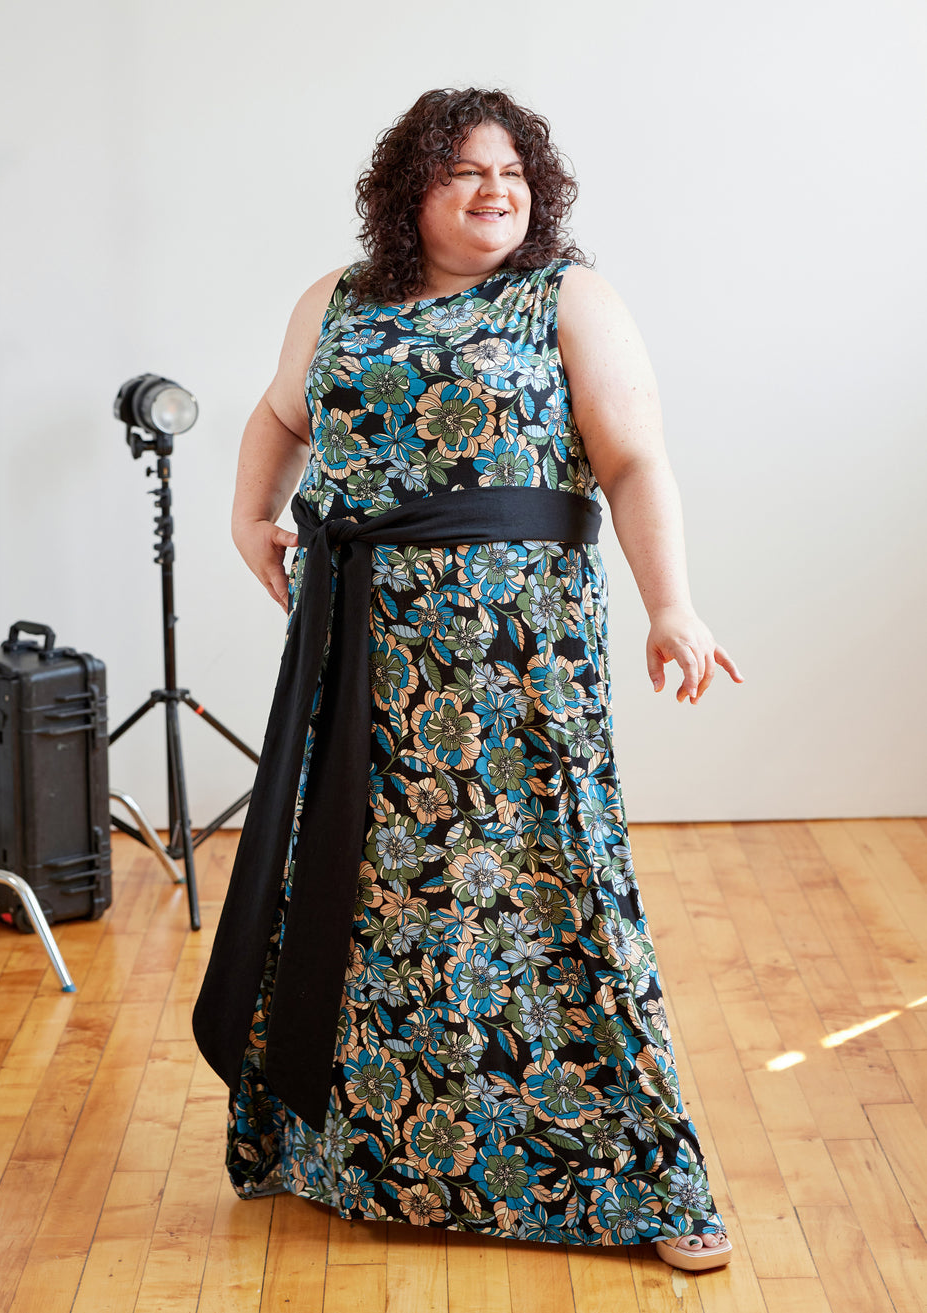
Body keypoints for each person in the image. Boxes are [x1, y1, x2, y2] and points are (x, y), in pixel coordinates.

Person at [193, 87, 742, 1272]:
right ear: (409, 193)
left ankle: (645, 1181)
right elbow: (282, 415)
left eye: (512, 171)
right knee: (374, 897)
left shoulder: (565, 296)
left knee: (551, 886)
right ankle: (357, 1155)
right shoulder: (337, 301)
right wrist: (250, 516)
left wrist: (672, 604)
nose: (495, 189)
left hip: (514, 661)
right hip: (364, 653)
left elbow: (634, 456)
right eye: (462, 172)